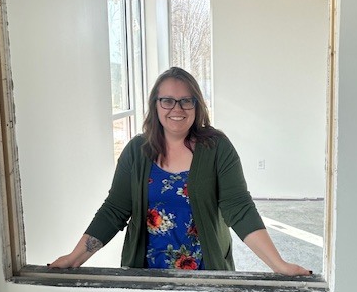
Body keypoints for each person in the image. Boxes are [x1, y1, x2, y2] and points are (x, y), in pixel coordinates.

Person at [49, 67, 310, 275]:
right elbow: (114, 210)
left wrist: (278, 265)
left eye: (186, 101)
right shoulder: (136, 151)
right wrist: (75, 258)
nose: (177, 108)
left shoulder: (217, 148)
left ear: (197, 105)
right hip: (146, 275)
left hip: (206, 274)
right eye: (168, 101)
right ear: (155, 105)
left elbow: (239, 208)